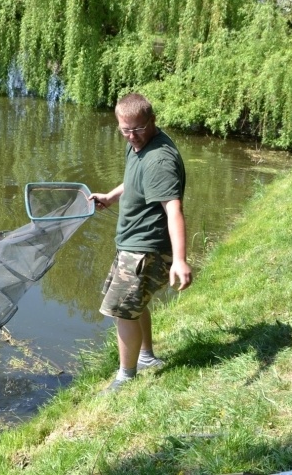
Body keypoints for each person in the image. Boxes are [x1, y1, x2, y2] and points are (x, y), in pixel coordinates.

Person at [90, 93, 192, 392]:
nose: (132, 136)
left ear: (153, 121)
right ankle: (145, 356)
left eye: (138, 128)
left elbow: (174, 210)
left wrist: (181, 259)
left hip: (145, 248)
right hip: (133, 243)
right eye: (125, 130)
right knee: (135, 305)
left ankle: (126, 376)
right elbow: (136, 180)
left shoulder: (159, 159)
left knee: (122, 311)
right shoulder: (138, 145)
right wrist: (111, 196)